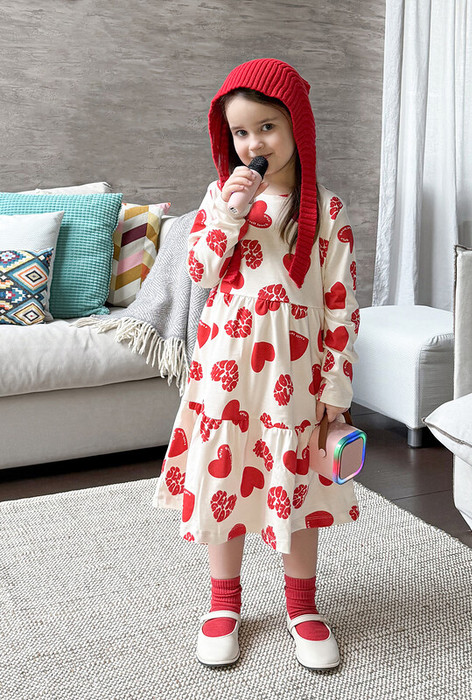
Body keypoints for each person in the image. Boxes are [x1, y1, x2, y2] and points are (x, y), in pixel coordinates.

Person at [153, 58, 360, 670]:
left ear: (298, 126)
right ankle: (223, 602)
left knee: (294, 477)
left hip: (294, 377)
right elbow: (200, 272)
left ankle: (302, 606)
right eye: (240, 133)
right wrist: (229, 212)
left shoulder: (325, 209)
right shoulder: (223, 197)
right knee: (226, 475)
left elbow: (341, 302)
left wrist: (336, 383)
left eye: (267, 127)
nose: (254, 144)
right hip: (227, 369)